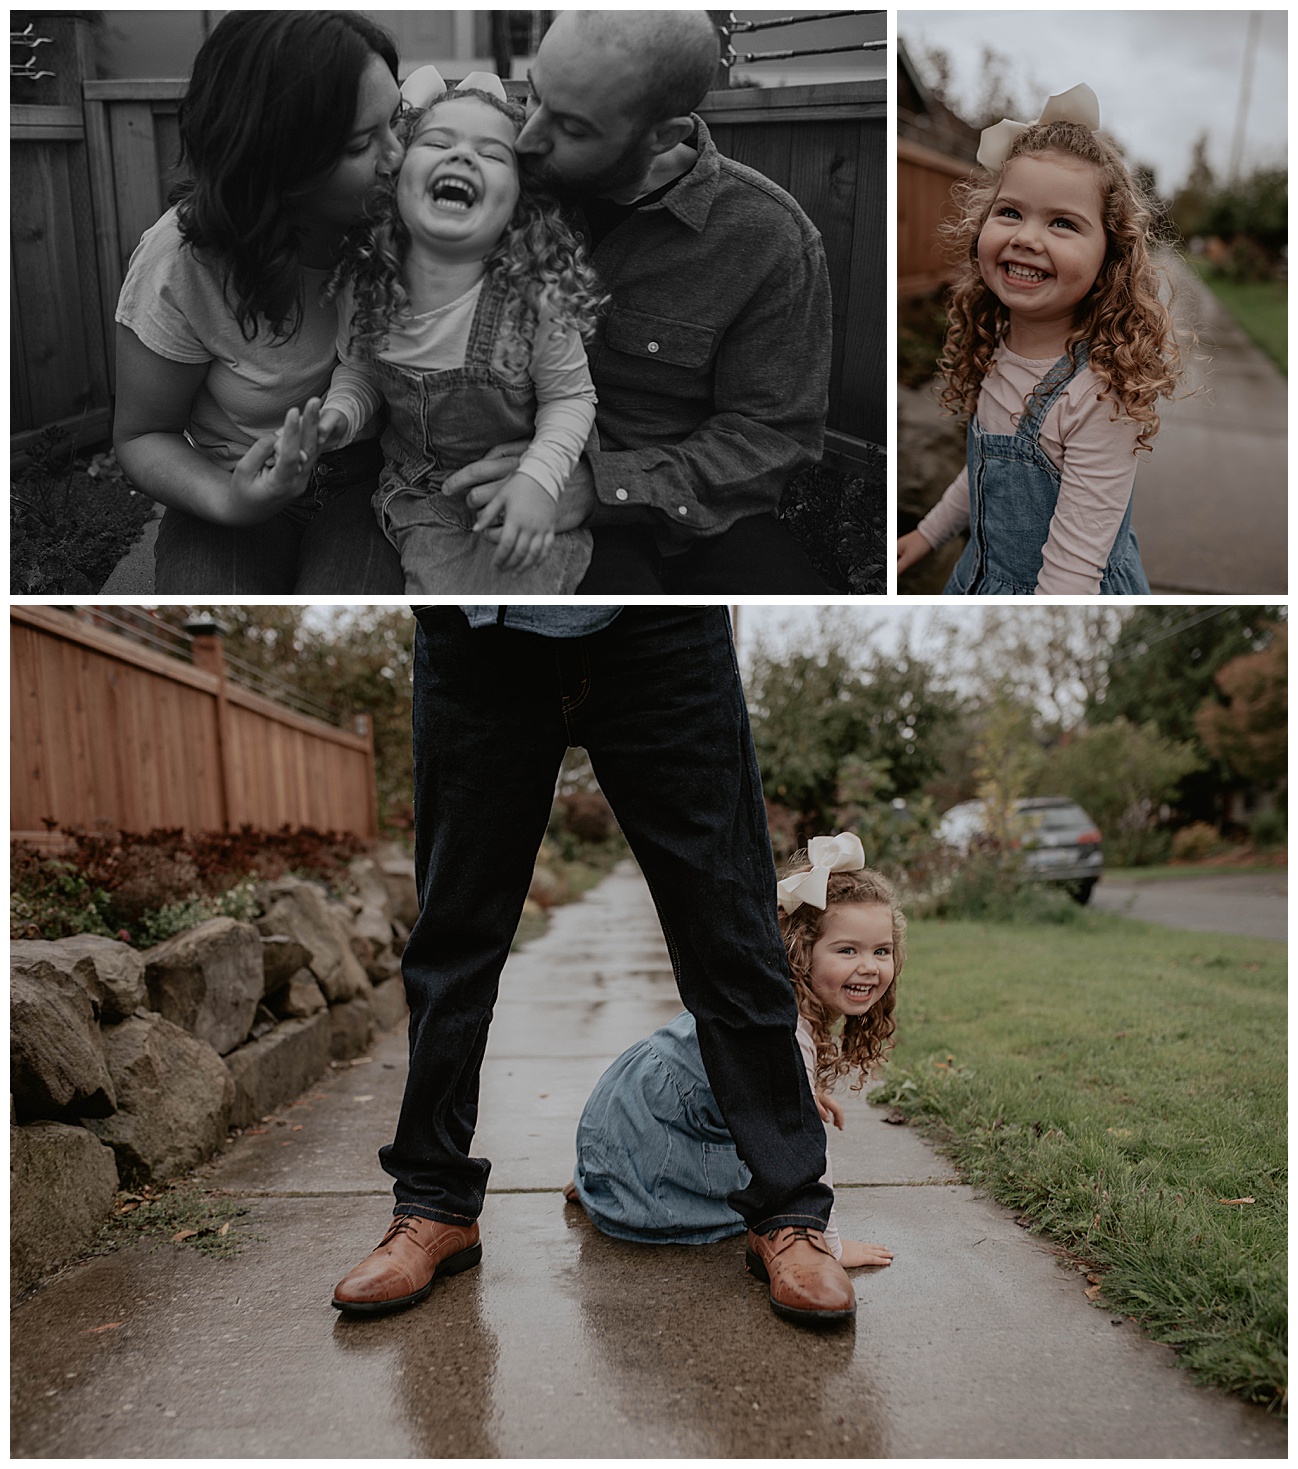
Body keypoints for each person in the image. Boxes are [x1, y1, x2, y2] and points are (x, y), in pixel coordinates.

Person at [332, 606, 855, 1324]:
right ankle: (432, 1204)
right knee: (454, 935)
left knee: (730, 930)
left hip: (659, 628)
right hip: (476, 631)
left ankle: (791, 1212)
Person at [440, 10, 832, 594]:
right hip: (487, 469)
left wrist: (597, 486)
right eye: (534, 95)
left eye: (571, 128)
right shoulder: (493, 176)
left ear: (662, 136)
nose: (526, 138)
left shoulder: (767, 239)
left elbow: (770, 438)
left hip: (668, 507)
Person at [112, 10, 406, 593]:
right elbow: (143, 437)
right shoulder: (179, 262)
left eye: (395, 121)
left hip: (368, 481)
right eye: (360, 143)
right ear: (276, 161)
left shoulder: (402, 224)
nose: (397, 155)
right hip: (233, 475)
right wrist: (231, 500)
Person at [566, 835, 900, 1317]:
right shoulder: (785, 1034)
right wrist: (828, 1243)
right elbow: (801, 1158)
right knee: (772, 1173)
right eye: (846, 950)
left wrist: (806, 1091)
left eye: (881, 951)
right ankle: (632, 1189)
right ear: (800, 952)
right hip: (652, 1192)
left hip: (620, 1136)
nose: (868, 966)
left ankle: (610, 1178)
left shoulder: (753, 1000)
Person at [316, 67, 604, 592]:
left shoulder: (534, 296)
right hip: (418, 492)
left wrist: (541, 480)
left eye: (493, 154)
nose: (463, 156)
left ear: (520, 201)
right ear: (396, 179)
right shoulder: (366, 283)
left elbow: (572, 398)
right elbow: (358, 371)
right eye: (437, 142)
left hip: (523, 486)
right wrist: (340, 416)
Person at [895, 85, 1183, 596]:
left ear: (1109, 258)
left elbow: (1071, 578)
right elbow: (986, 474)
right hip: (979, 576)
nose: (1027, 237)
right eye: (1010, 212)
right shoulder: (998, 343)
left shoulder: (1096, 395)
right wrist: (928, 533)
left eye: (1063, 223)